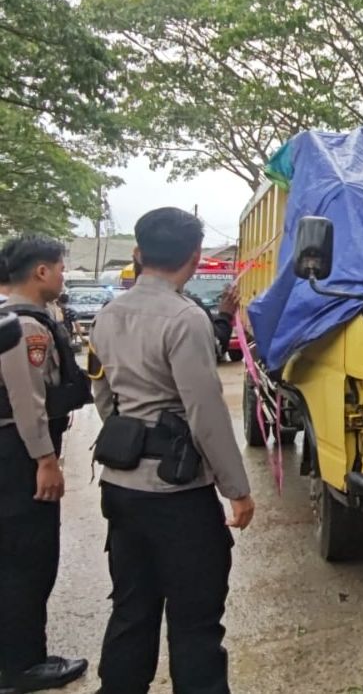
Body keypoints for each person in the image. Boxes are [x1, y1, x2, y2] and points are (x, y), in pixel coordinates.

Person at [88, 208, 254, 694]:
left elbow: (103, 397)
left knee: (131, 610)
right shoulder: (186, 319)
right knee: (196, 622)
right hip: (177, 496)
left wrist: (132, 441)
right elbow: (206, 414)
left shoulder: (106, 314)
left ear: (139, 254)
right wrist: (237, 490)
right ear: (195, 257)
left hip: (121, 488)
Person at [0, 235, 90, 693]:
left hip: (12, 450)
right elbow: (27, 403)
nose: (61, 275)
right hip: (17, 453)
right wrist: (46, 460)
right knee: (27, 559)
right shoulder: (24, 327)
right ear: (40, 272)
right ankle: (22, 664)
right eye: (59, 268)